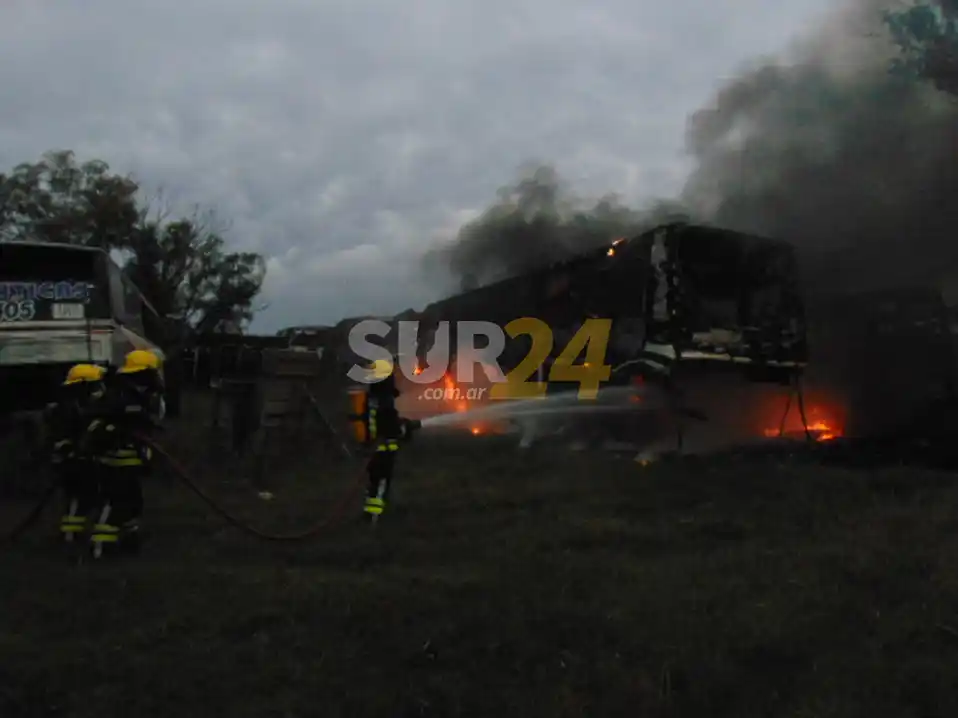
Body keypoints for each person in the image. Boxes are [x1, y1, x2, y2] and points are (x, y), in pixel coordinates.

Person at [82, 349, 165, 558]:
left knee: (134, 502)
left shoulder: (140, 396)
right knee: (113, 502)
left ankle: (130, 540)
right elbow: (96, 424)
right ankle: (100, 546)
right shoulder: (118, 397)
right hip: (113, 463)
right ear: (143, 374)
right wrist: (115, 431)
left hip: (130, 462)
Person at [45, 363, 107, 543]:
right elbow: (64, 438)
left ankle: (72, 533)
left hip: (79, 461)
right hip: (72, 463)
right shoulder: (68, 409)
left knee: (85, 497)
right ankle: (70, 534)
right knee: (79, 497)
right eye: (96, 385)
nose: (99, 389)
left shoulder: (78, 406)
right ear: (84, 386)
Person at [358, 356, 419, 523]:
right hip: (384, 450)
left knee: (373, 482)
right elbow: (391, 427)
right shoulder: (385, 400)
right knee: (381, 483)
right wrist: (405, 428)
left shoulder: (372, 398)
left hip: (373, 448)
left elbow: (377, 422)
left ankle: (370, 514)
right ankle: (374, 518)